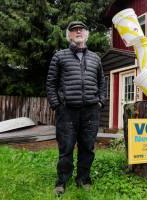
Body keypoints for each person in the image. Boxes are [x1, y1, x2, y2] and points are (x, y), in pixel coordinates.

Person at [46, 21, 105, 196]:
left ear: (86, 34)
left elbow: (102, 82)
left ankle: (84, 179)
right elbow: (51, 83)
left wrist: (100, 101)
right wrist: (57, 105)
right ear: (69, 35)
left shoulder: (95, 58)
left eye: (81, 29)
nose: (78, 31)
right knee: (66, 147)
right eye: (74, 30)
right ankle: (62, 181)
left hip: (90, 111)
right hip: (67, 111)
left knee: (88, 147)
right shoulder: (59, 56)